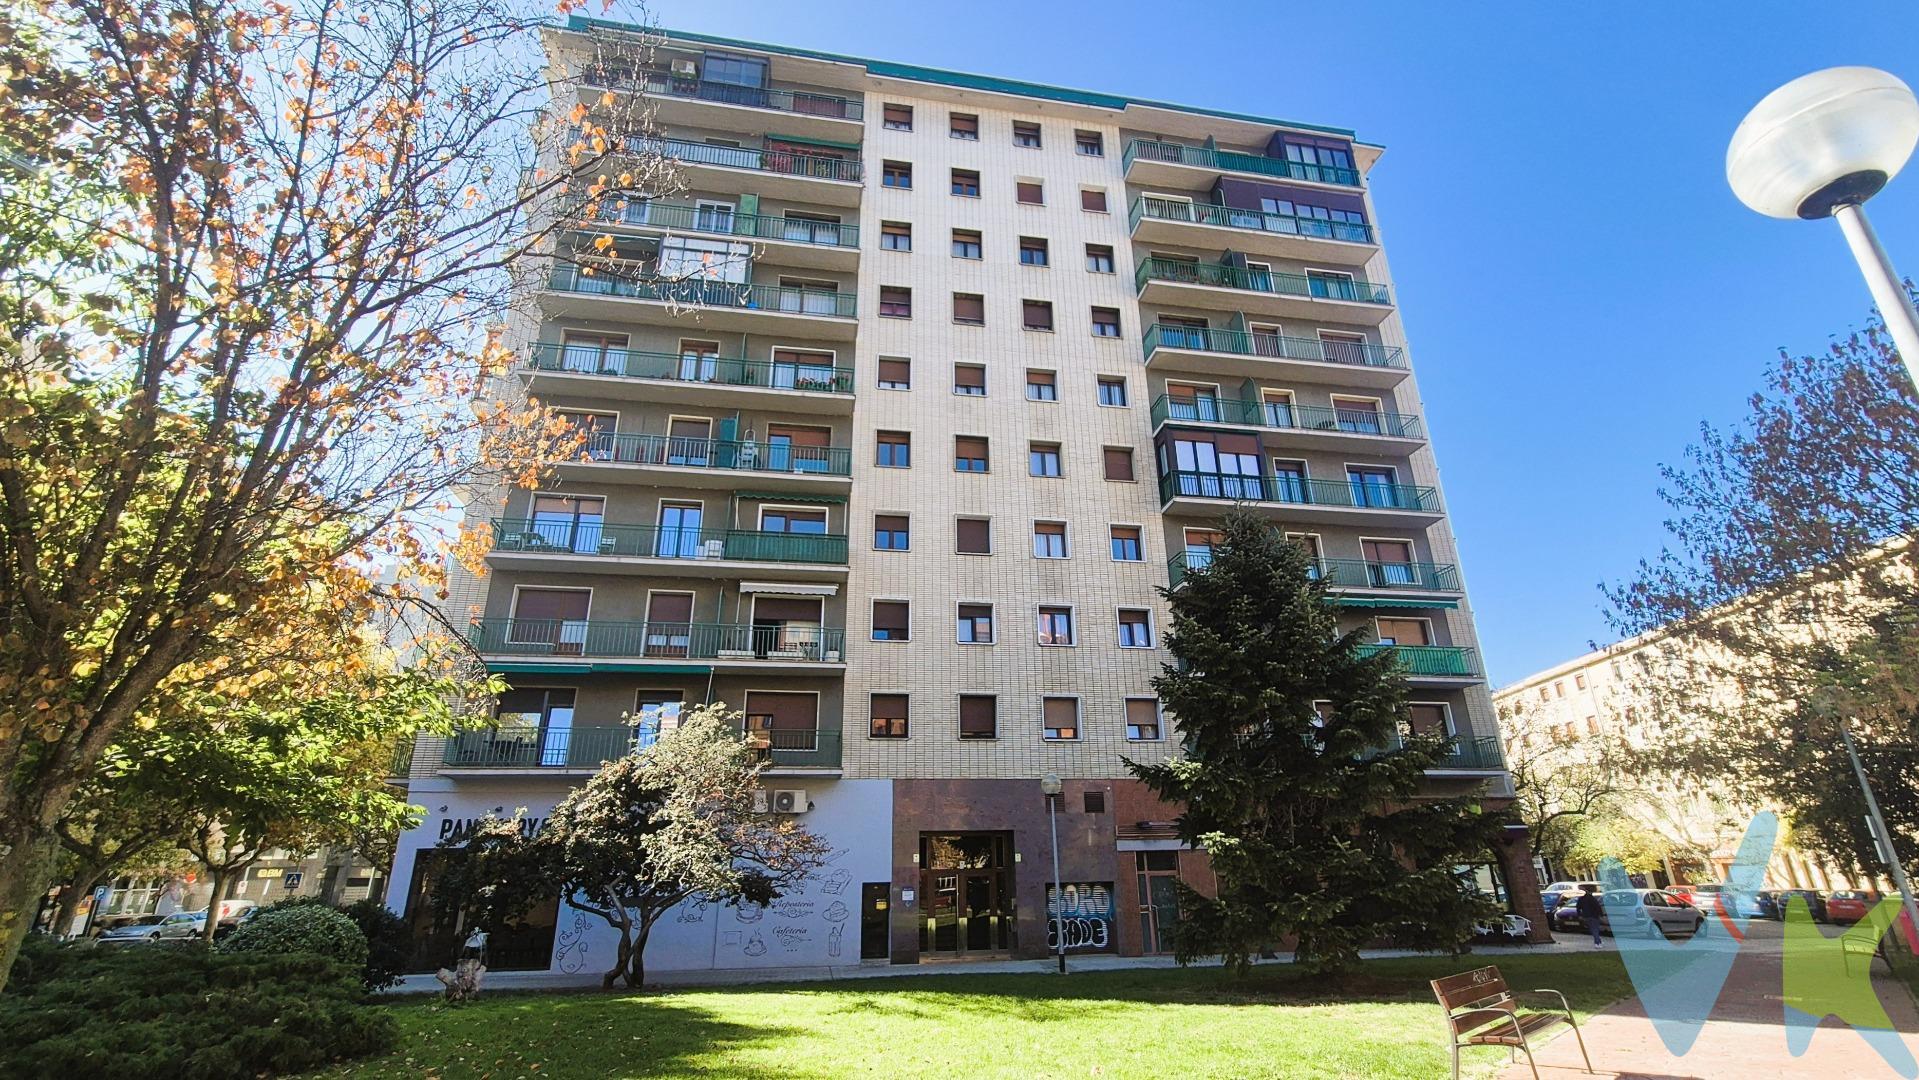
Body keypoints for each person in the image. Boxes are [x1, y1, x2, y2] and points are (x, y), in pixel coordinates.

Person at [1575, 884, 1605, 948]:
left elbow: (1578, 907)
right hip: (1594, 916)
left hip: (1586, 916)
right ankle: (1597, 943)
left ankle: (1599, 941)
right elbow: (1597, 907)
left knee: (1593, 929)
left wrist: (1580, 915)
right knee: (1595, 929)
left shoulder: (1582, 899)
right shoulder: (1592, 899)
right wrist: (1601, 914)